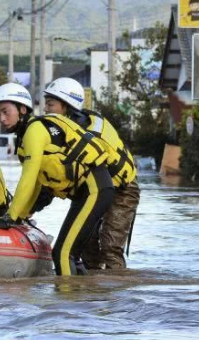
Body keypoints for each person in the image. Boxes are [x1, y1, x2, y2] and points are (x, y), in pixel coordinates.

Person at [0, 82, 114, 276]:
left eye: (6, 111)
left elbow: (28, 178)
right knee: (72, 255)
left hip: (95, 188)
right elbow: (38, 183)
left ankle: (65, 303)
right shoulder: (25, 137)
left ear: (22, 109)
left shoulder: (34, 130)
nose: (2, 119)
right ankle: (86, 297)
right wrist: (22, 214)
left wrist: (10, 217)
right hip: (88, 192)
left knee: (62, 254)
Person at [43, 77, 140, 269]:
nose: (45, 110)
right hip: (98, 190)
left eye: (50, 104)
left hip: (123, 190)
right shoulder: (69, 130)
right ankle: (93, 293)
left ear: (66, 106)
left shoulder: (86, 134)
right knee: (87, 245)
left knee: (110, 247)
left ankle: (118, 295)